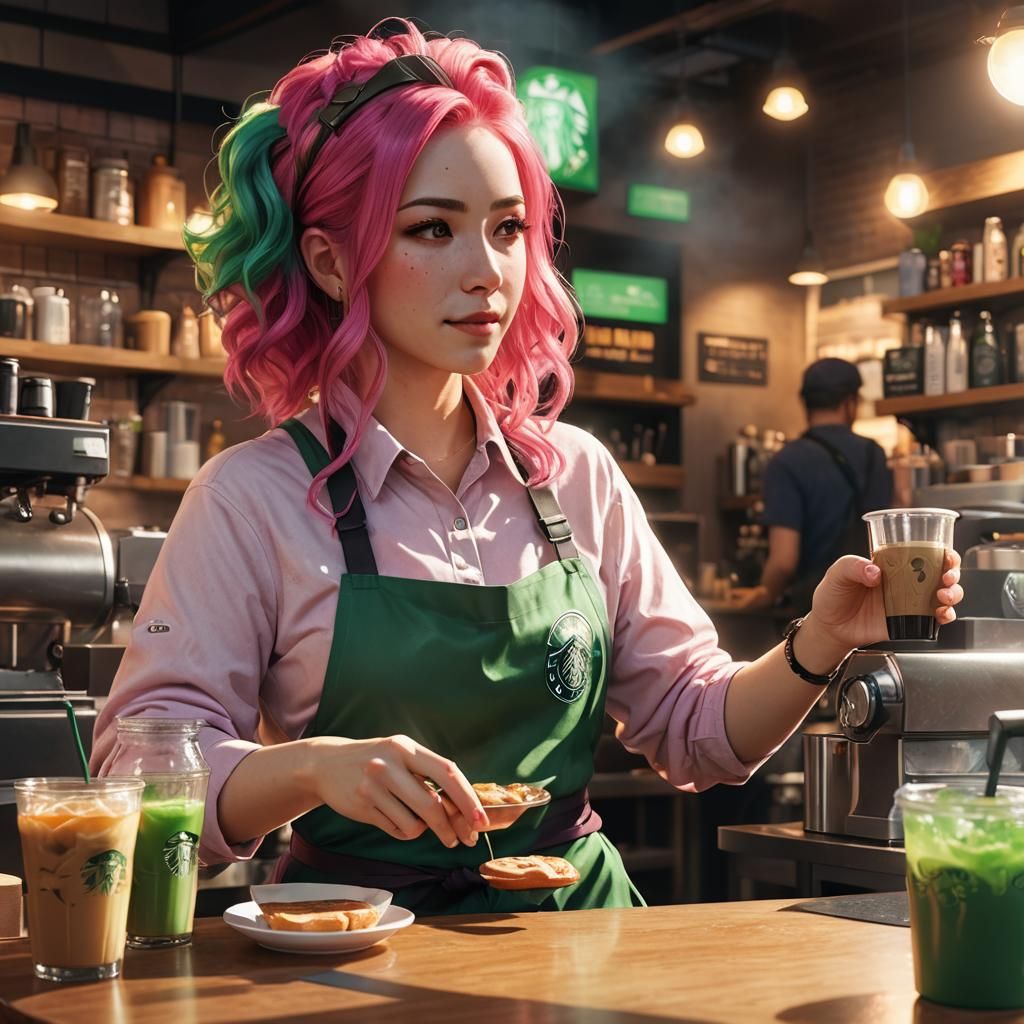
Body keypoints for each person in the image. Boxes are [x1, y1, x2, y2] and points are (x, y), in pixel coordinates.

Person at [89, 21, 961, 917]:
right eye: (433, 229)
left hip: (582, 939)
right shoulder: (251, 499)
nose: (487, 273)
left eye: (508, 230)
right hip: (349, 946)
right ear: (332, 262)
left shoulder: (576, 475)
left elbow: (698, 732)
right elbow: (143, 774)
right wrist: (310, 768)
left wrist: (821, 642)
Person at [729, 358, 893, 614]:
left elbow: (784, 562)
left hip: (815, 610)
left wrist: (765, 594)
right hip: (871, 606)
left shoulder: (786, 461)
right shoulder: (875, 455)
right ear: (850, 403)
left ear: (805, 403)